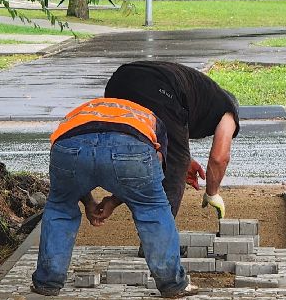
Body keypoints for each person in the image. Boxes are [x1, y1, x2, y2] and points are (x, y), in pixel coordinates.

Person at [31, 96, 194, 298]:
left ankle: (48, 281)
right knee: (152, 207)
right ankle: (172, 284)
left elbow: (75, 172)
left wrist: (89, 201)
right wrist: (116, 200)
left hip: (70, 147)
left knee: (60, 206)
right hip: (130, 148)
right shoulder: (150, 118)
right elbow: (149, 177)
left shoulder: (80, 111)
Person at [89, 60, 241, 224]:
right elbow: (219, 157)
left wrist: (181, 157)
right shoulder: (228, 109)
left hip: (120, 81)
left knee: (139, 157)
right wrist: (212, 193)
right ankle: (159, 245)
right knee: (176, 165)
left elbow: (166, 138)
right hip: (159, 87)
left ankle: (110, 203)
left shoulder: (202, 96)